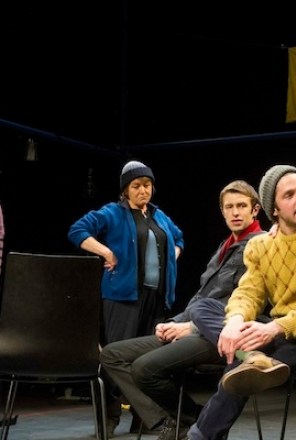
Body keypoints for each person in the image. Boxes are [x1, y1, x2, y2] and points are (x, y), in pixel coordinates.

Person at [184, 164, 296, 440]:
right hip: (278, 334)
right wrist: (234, 322)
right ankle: (251, 354)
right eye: (289, 195)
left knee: (241, 366)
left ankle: (202, 432)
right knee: (202, 306)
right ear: (273, 210)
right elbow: (248, 293)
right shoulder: (261, 246)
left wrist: (272, 329)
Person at [99, 179, 264, 440]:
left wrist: (191, 327)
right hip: (193, 327)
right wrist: (175, 322)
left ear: (255, 210)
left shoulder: (261, 245)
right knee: (112, 354)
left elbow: (246, 301)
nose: (235, 212)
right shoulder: (225, 246)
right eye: (229, 207)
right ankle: (186, 418)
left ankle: (180, 421)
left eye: (241, 206)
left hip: (221, 335)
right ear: (222, 211)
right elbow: (202, 296)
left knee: (145, 369)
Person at [68, 159, 184, 437]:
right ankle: (109, 416)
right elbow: (77, 230)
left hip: (156, 298)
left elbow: (179, 239)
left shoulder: (159, 216)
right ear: (125, 190)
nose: (143, 190)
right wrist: (106, 252)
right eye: (136, 186)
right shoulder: (113, 213)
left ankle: (143, 418)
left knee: (148, 362)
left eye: (147, 185)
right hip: (123, 298)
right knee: (115, 358)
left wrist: (171, 259)